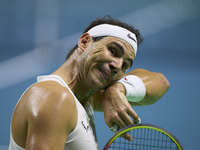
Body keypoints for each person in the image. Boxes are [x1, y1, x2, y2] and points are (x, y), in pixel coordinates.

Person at [8, 16, 170, 150]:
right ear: (85, 42)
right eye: (113, 51)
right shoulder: (55, 98)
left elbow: (161, 83)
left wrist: (119, 88)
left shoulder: (85, 96)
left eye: (125, 65)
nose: (117, 66)